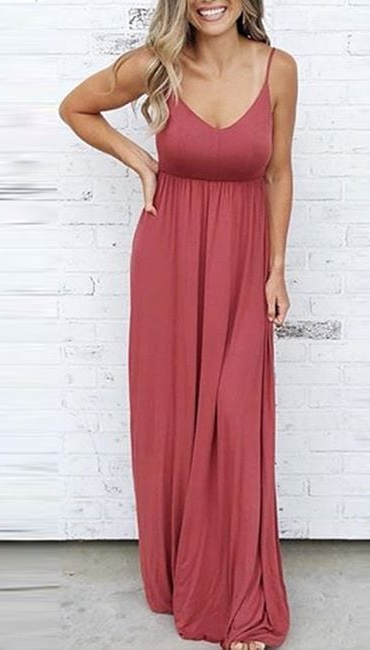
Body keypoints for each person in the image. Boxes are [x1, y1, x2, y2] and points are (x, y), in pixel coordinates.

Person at [59, 1, 297, 648]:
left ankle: (238, 597)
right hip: (168, 255)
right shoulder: (157, 66)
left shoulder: (278, 69)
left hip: (242, 261)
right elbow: (76, 108)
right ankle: (179, 575)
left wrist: (276, 269)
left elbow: (278, 172)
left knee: (235, 421)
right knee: (172, 420)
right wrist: (139, 160)